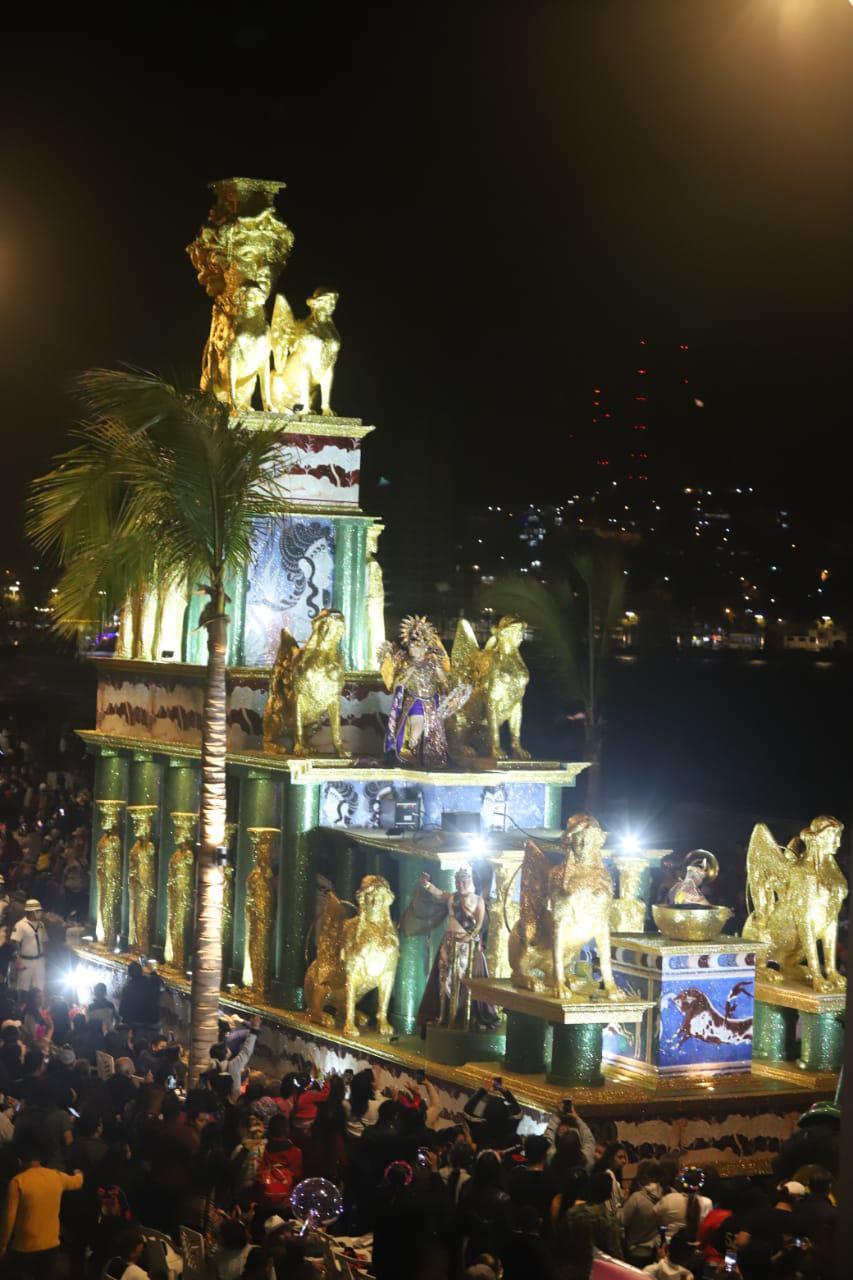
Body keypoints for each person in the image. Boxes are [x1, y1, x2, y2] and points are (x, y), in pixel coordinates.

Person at [409, 867, 499, 1032]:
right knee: (444, 978)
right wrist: (427, 884)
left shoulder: (478, 900)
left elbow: (479, 924)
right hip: (449, 942)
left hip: (467, 945)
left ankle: (464, 1015)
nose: (460, 885)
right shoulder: (452, 898)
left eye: (464, 881)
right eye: (458, 881)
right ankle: (443, 1014)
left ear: (470, 881)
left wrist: (471, 935)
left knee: (465, 980)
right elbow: (438, 893)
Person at [0, 1139, 83, 1277]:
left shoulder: (18, 1181)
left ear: (21, 1161)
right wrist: (79, 1173)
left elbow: (8, 1218)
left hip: (24, 1247)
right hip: (51, 1244)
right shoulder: (55, 1176)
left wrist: (2, 1247)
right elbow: (77, 1182)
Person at [208, 1014, 261, 1102]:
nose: (230, 1017)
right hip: (232, 1097)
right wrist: (241, 1020)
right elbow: (247, 1050)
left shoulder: (212, 1065)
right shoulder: (234, 1037)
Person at [622, 1159, 664, 1267]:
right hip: (656, 1251)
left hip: (635, 1252)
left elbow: (622, 1220)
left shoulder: (637, 1198)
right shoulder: (666, 1195)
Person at [656, 1166, 712, 1243]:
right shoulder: (707, 1202)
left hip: (669, 1246)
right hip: (697, 1246)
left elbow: (653, 1218)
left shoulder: (669, 1198)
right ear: (700, 1184)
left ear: (681, 1183)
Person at [11, 899, 49, 993]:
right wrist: (17, 959)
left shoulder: (41, 925)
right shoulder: (20, 925)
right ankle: (23, 1006)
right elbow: (14, 942)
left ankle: (37, 1006)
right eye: (37, 911)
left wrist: (46, 958)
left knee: (39, 987)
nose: (40, 913)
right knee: (23, 988)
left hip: (39, 960)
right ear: (31, 912)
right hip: (25, 961)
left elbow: (45, 942)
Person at [592, 1141, 628, 1217]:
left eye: (625, 1157)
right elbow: (612, 1210)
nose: (624, 1161)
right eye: (620, 1157)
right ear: (610, 1158)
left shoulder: (610, 1174)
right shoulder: (608, 1176)